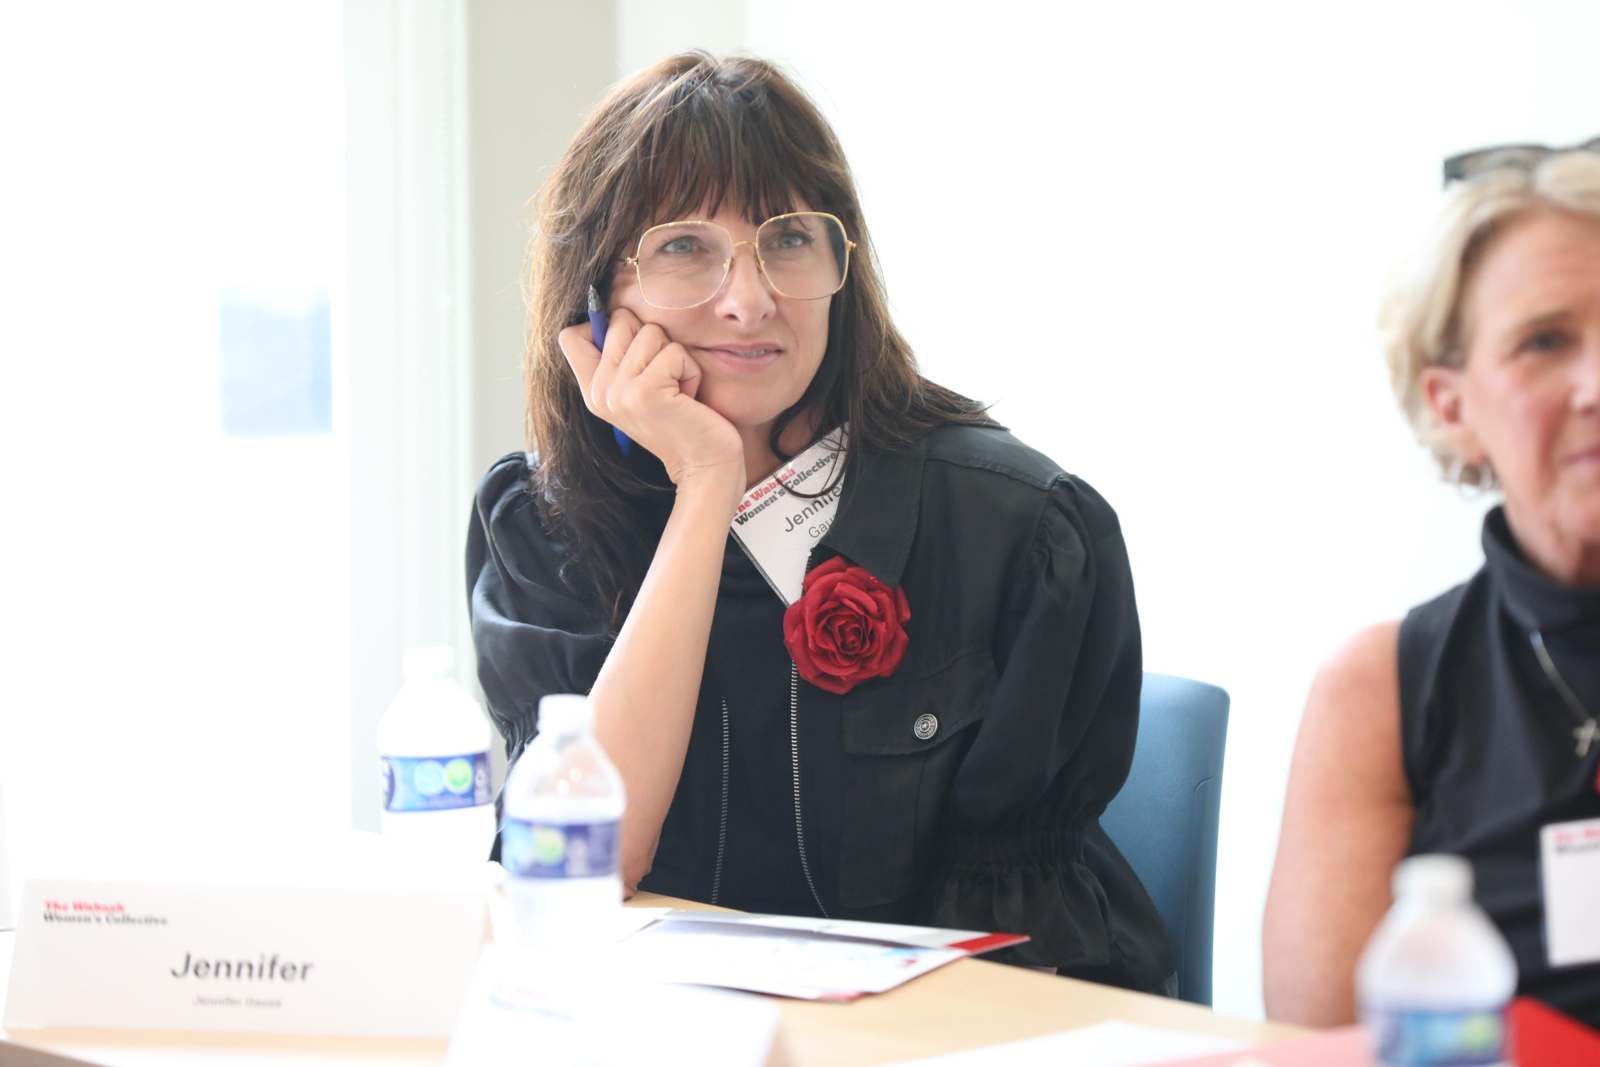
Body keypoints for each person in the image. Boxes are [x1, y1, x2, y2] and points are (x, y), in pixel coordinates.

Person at [466, 51, 1171, 992]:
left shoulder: (1020, 530)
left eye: (789, 238)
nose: (750, 299)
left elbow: (1020, 951)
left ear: (843, 266)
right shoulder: (544, 526)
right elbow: (591, 867)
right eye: (685, 247)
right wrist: (706, 483)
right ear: (600, 297)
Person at [1263, 140, 1600, 1026]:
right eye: (1545, 341)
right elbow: (1325, 1041)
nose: (1597, 383)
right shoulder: (1382, 688)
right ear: (1453, 406)